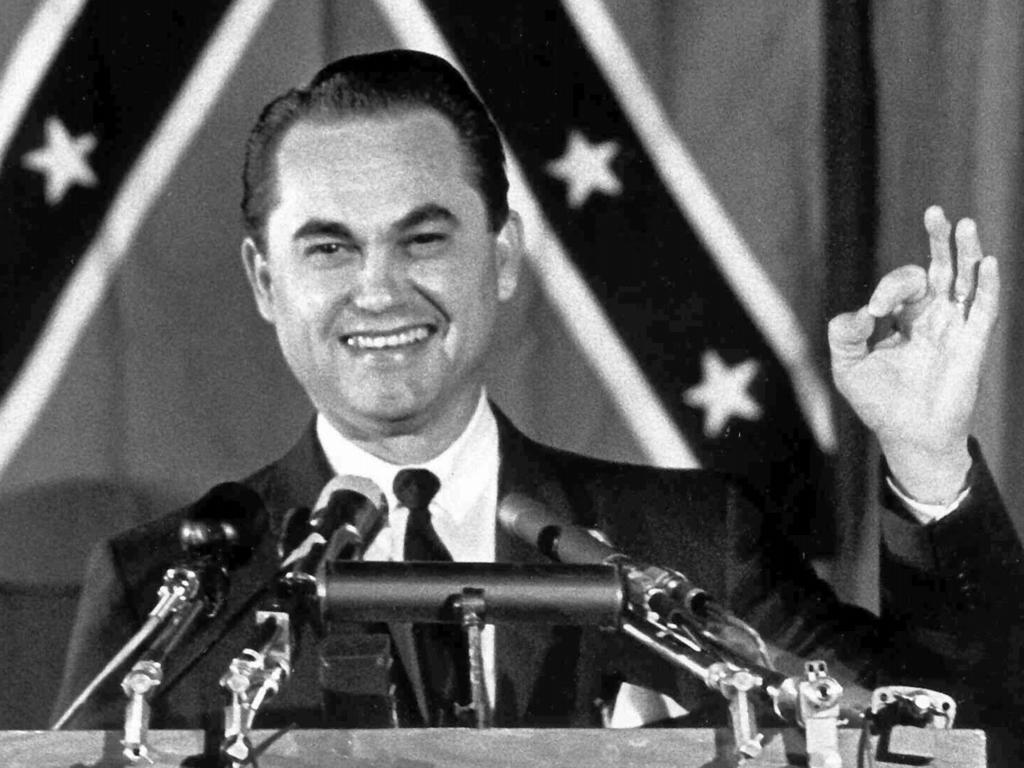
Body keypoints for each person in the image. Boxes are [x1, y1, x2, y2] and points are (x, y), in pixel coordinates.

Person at [54, 50, 1024, 740]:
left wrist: (926, 457)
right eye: (328, 247)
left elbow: (956, 738)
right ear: (266, 281)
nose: (380, 287)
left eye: (423, 237)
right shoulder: (169, 596)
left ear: (503, 254)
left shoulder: (686, 550)